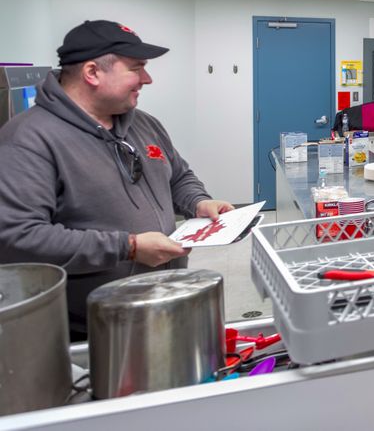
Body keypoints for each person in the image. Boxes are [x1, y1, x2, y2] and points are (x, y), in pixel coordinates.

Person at [0, 20, 233, 338]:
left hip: (165, 300)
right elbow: (18, 239)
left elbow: (178, 176)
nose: (147, 79)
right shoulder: (29, 139)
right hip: (96, 327)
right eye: (136, 68)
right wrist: (128, 247)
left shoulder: (144, 124)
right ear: (93, 72)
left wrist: (199, 201)